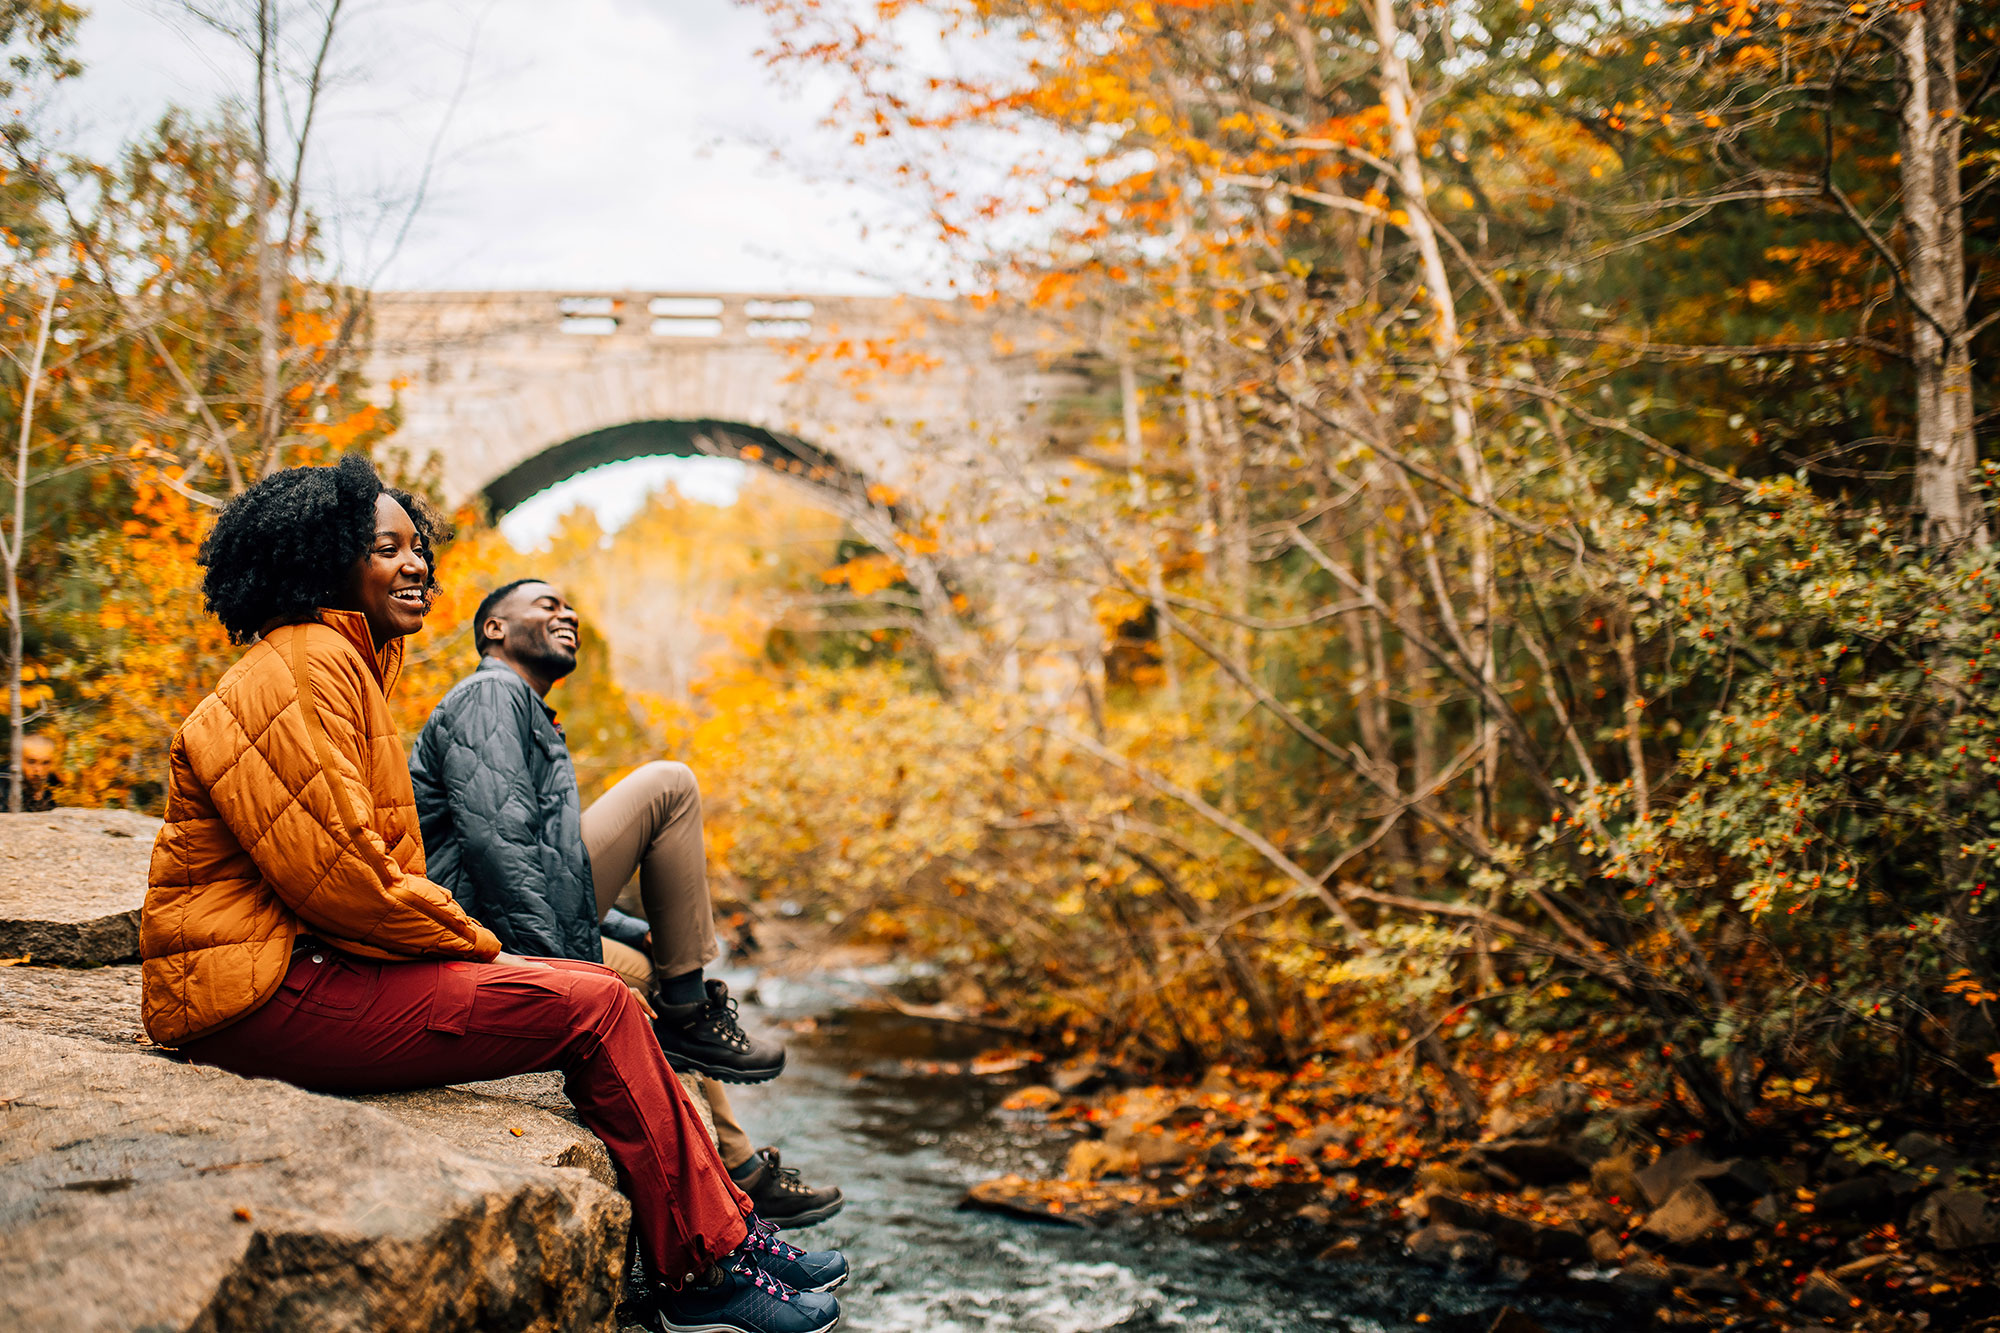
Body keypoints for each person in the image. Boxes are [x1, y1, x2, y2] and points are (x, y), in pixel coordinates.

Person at [137, 455, 845, 1333]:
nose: (416, 564)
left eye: (419, 548)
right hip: (260, 993)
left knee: (600, 994)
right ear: (325, 559)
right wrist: (479, 946)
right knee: (596, 1005)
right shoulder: (303, 666)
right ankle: (702, 1269)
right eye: (386, 548)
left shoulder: (341, 665)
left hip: (305, 970)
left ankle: (731, 1235)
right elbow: (346, 878)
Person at [410, 578, 843, 1229]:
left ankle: (738, 1162)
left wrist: (631, 931)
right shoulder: (490, 693)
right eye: (548, 605)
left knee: (651, 976)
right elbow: (498, 848)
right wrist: (564, 976)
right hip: (482, 923)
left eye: (569, 606)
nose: (567, 614)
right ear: (494, 628)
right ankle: (690, 1007)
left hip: (505, 914)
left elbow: (553, 862)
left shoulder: (525, 709)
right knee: (669, 783)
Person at [2, 732, 61, 811]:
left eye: (45, 763)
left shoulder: (56, 788)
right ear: (16, 760)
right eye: (31, 762)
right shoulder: (4, 789)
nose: (38, 770)